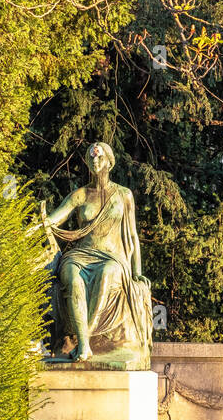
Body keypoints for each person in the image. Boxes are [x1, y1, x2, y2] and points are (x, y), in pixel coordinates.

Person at [34, 142, 152, 367]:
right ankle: (85, 345)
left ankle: (84, 339)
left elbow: (134, 235)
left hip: (111, 257)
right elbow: (54, 220)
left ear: (109, 161)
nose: (94, 162)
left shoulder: (123, 195)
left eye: (99, 158)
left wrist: (137, 271)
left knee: (107, 274)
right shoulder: (80, 194)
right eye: (91, 158)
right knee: (70, 275)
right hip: (80, 255)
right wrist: (36, 224)